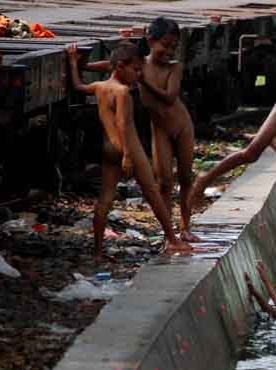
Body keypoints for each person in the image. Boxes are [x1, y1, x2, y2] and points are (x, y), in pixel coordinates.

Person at [66, 42, 192, 260]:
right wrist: (127, 155)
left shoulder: (99, 86)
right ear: (120, 67)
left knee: (105, 199)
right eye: (135, 70)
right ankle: (173, 239)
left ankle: (97, 252)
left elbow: (77, 86)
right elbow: (123, 124)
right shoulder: (123, 92)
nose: (139, 75)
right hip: (129, 149)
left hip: (108, 148)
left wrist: (72, 63)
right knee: (152, 192)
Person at [83, 17, 200, 242]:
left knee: (185, 177)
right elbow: (113, 64)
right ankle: (170, 233)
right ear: (150, 40)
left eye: (174, 47)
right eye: (165, 45)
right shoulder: (139, 65)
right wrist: (86, 66)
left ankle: (185, 226)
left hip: (182, 126)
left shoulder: (174, 68)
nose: (169, 51)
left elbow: (169, 97)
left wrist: (144, 81)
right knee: (164, 181)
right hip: (160, 129)